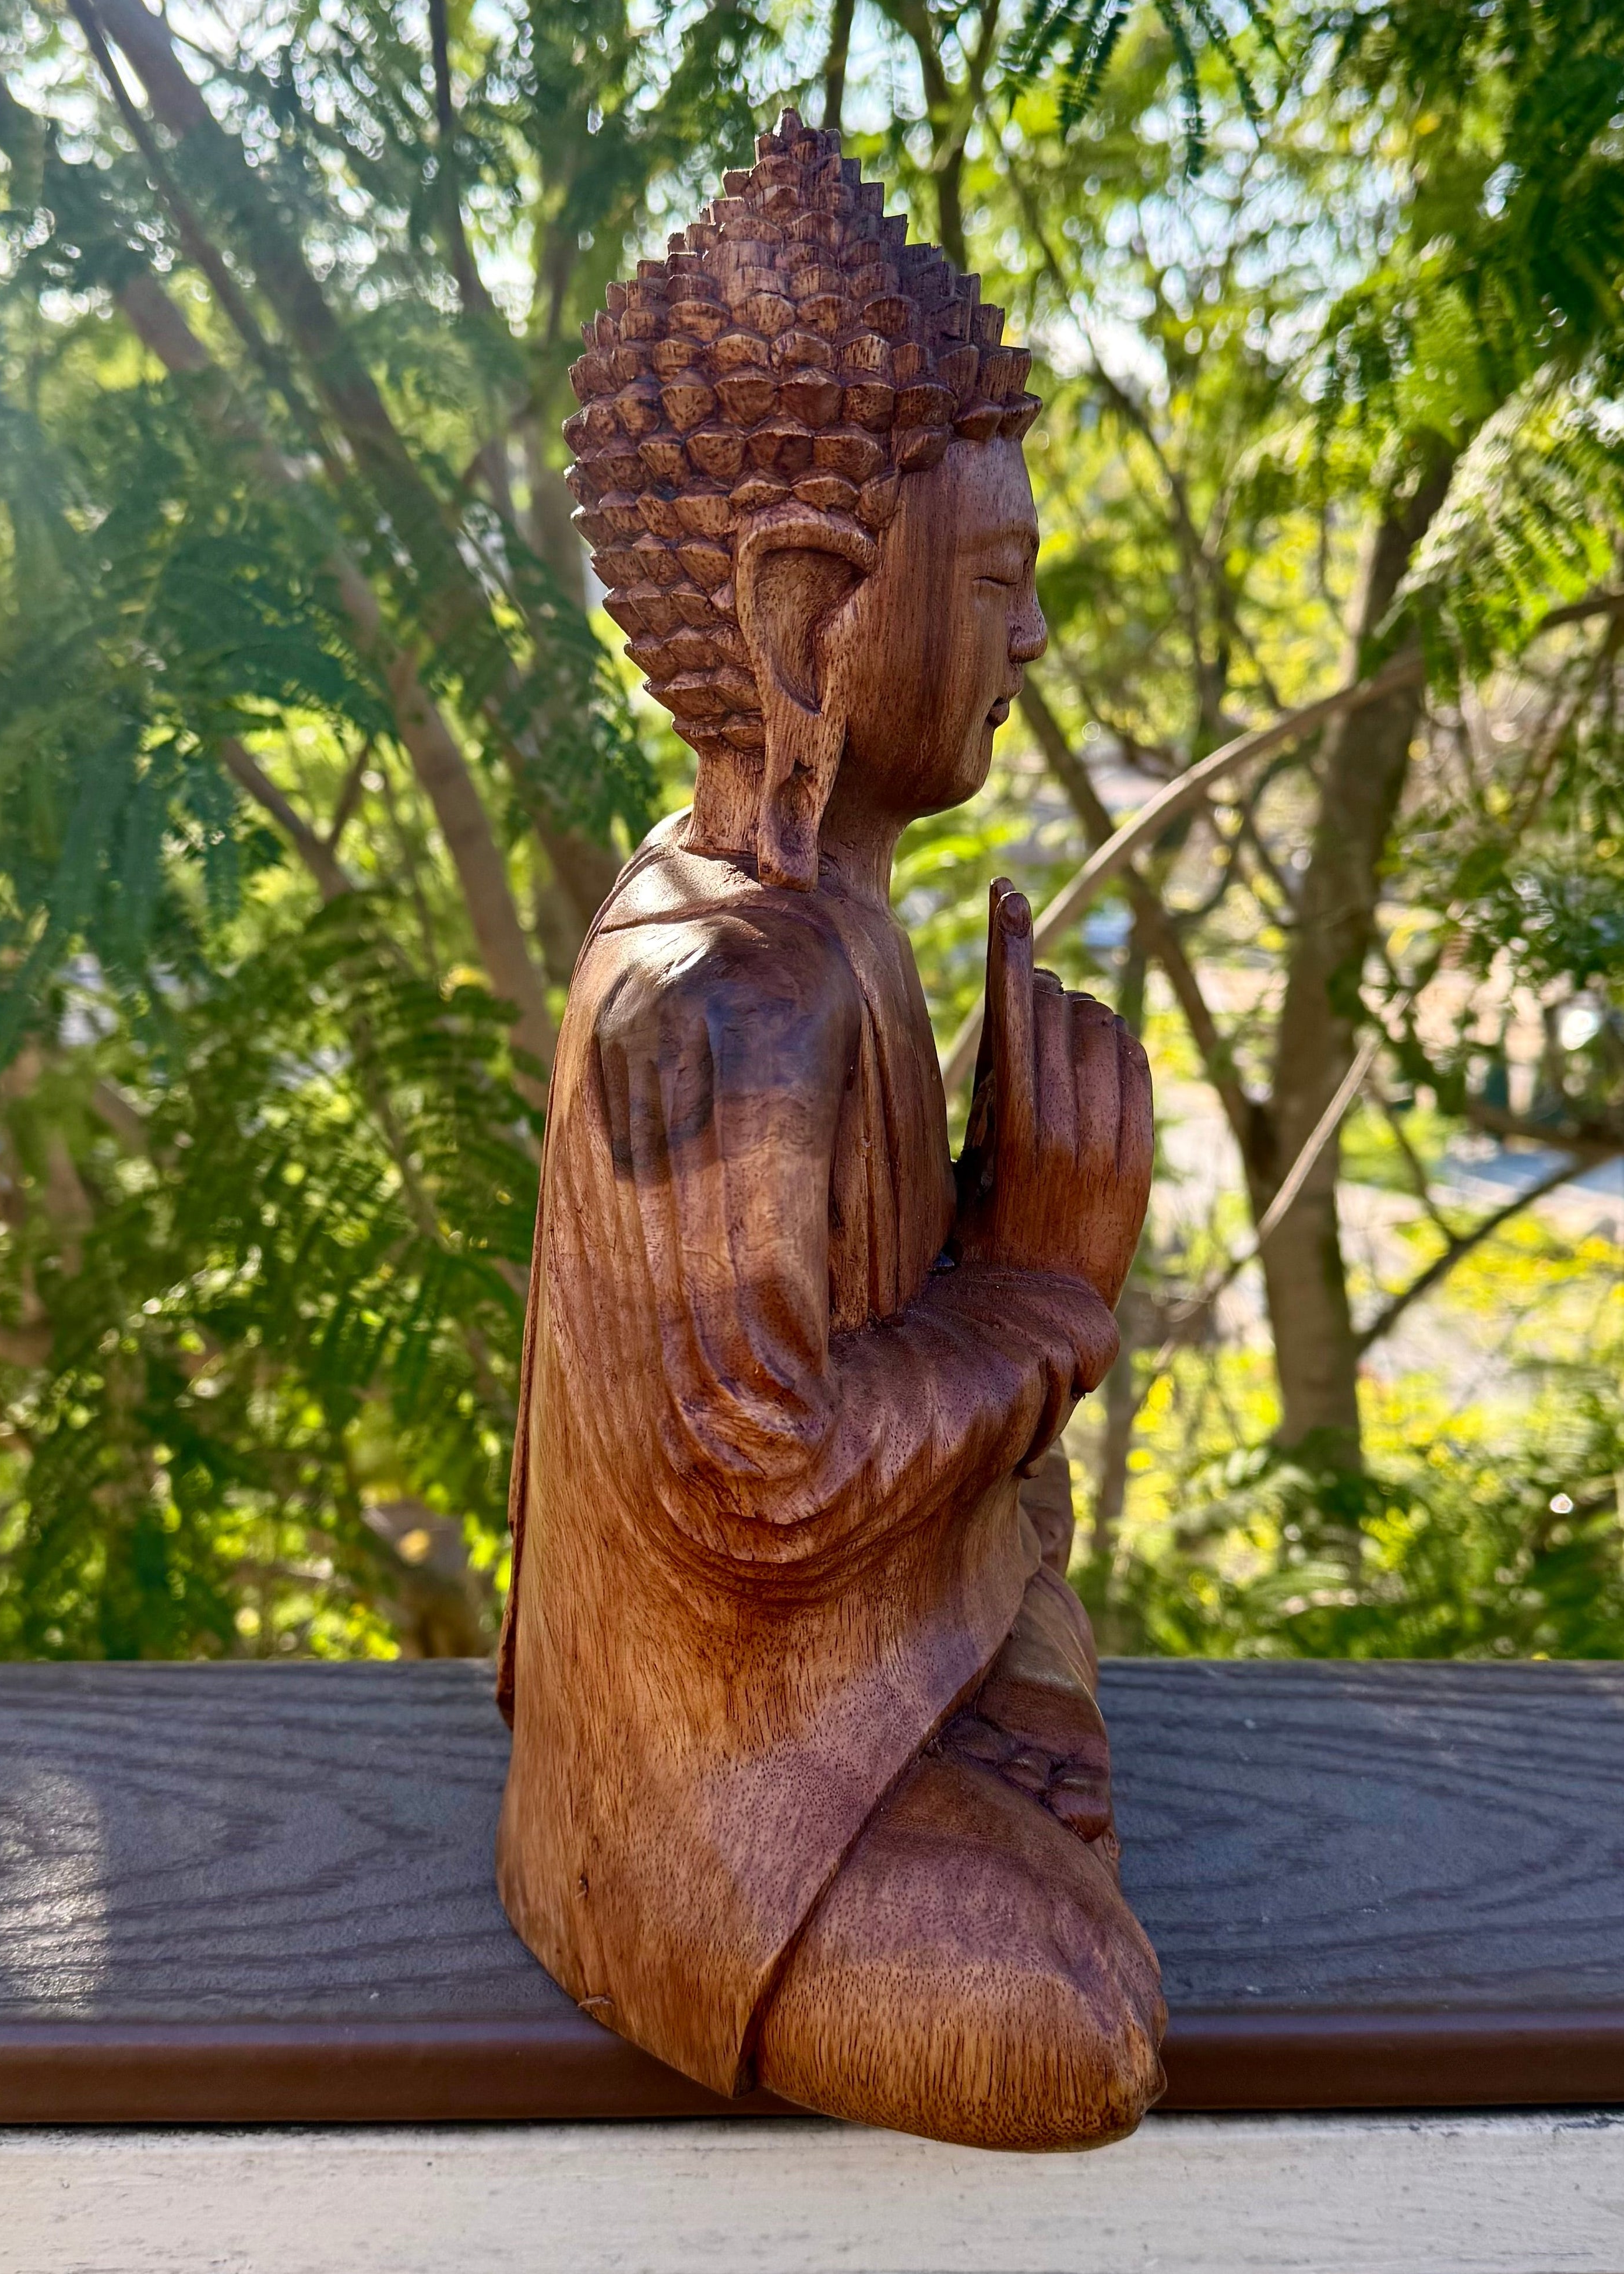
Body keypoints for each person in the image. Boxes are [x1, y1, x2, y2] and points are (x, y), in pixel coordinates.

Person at [495, 114, 1162, 2152]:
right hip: (705, 1764)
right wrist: (1040, 1294)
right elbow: (764, 1487)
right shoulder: (724, 997)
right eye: (998, 580)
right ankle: (676, 1862)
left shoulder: (825, 924)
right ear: (808, 622)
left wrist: (982, 1239)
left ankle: (959, 1719)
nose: (1034, 636)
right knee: (1074, 2035)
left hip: (850, 1632)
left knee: (1036, 1585)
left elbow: (872, 1362)